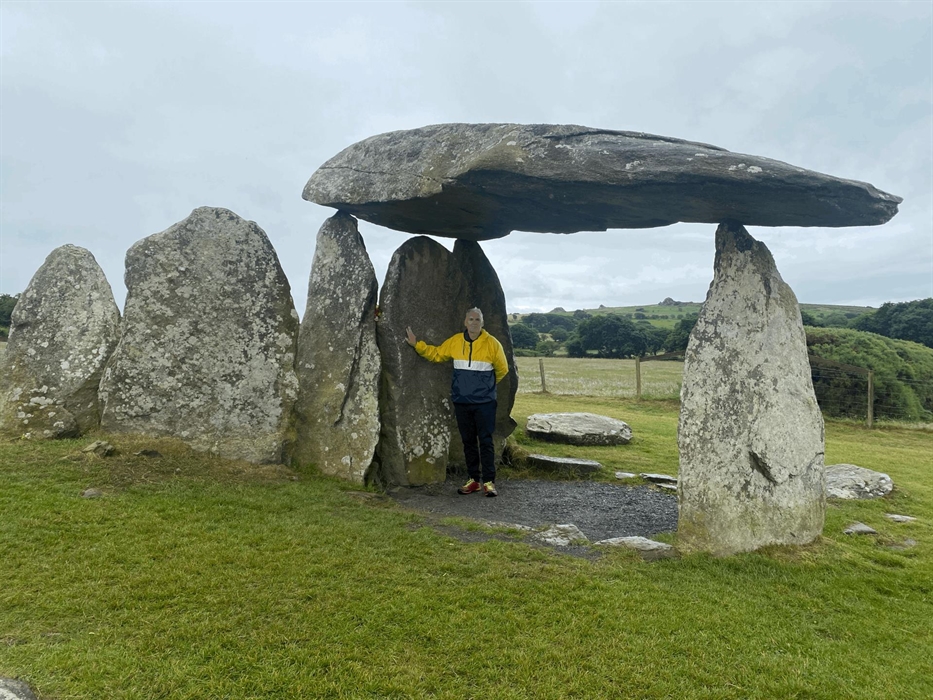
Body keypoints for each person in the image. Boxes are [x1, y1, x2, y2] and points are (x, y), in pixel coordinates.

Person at [406, 307, 508, 497]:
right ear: (465, 322)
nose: (474, 322)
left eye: (478, 319)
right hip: (462, 401)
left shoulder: (493, 344)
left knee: (485, 441)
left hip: (485, 402)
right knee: (468, 441)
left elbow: (502, 370)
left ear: (482, 323)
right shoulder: (455, 342)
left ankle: (488, 482)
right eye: (471, 319)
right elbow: (436, 354)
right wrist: (416, 345)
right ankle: (473, 480)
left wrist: (486, 387)